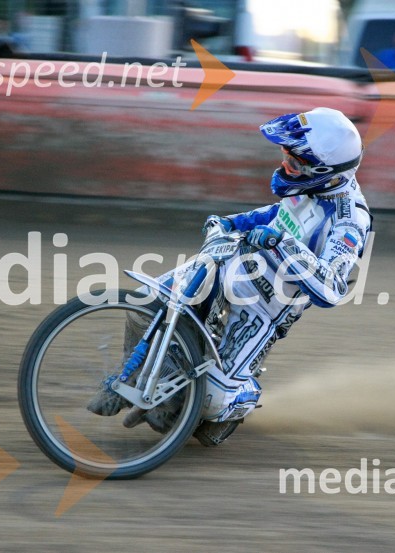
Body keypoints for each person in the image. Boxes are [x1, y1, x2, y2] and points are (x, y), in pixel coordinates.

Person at [88, 107, 372, 446]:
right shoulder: (312, 185)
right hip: (231, 263)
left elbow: (332, 288)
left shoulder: (350, 220)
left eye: (294, 163)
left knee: (204, 404)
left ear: (324, 172)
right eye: (285, 156)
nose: (285, 165)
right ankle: (131, 377)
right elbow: (274, 213)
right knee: (145, 304)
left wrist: (282, 243)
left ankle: (232, 404)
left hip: (264, 308)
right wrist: (230, 222)